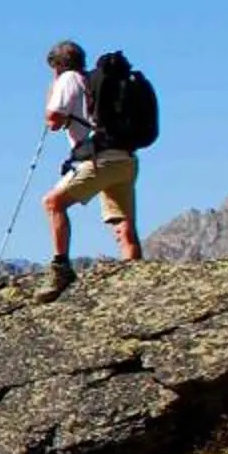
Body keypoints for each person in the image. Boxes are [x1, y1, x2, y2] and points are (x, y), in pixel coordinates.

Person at [40, 40, 142, 286]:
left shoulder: (68, 79)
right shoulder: (98, 81)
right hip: (125, 158)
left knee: (53, 203)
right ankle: (136, 278)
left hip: (98, 159)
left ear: (56, 66)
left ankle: (61, 267)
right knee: (123, 225)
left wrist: (53, 90)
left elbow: (53, 120)